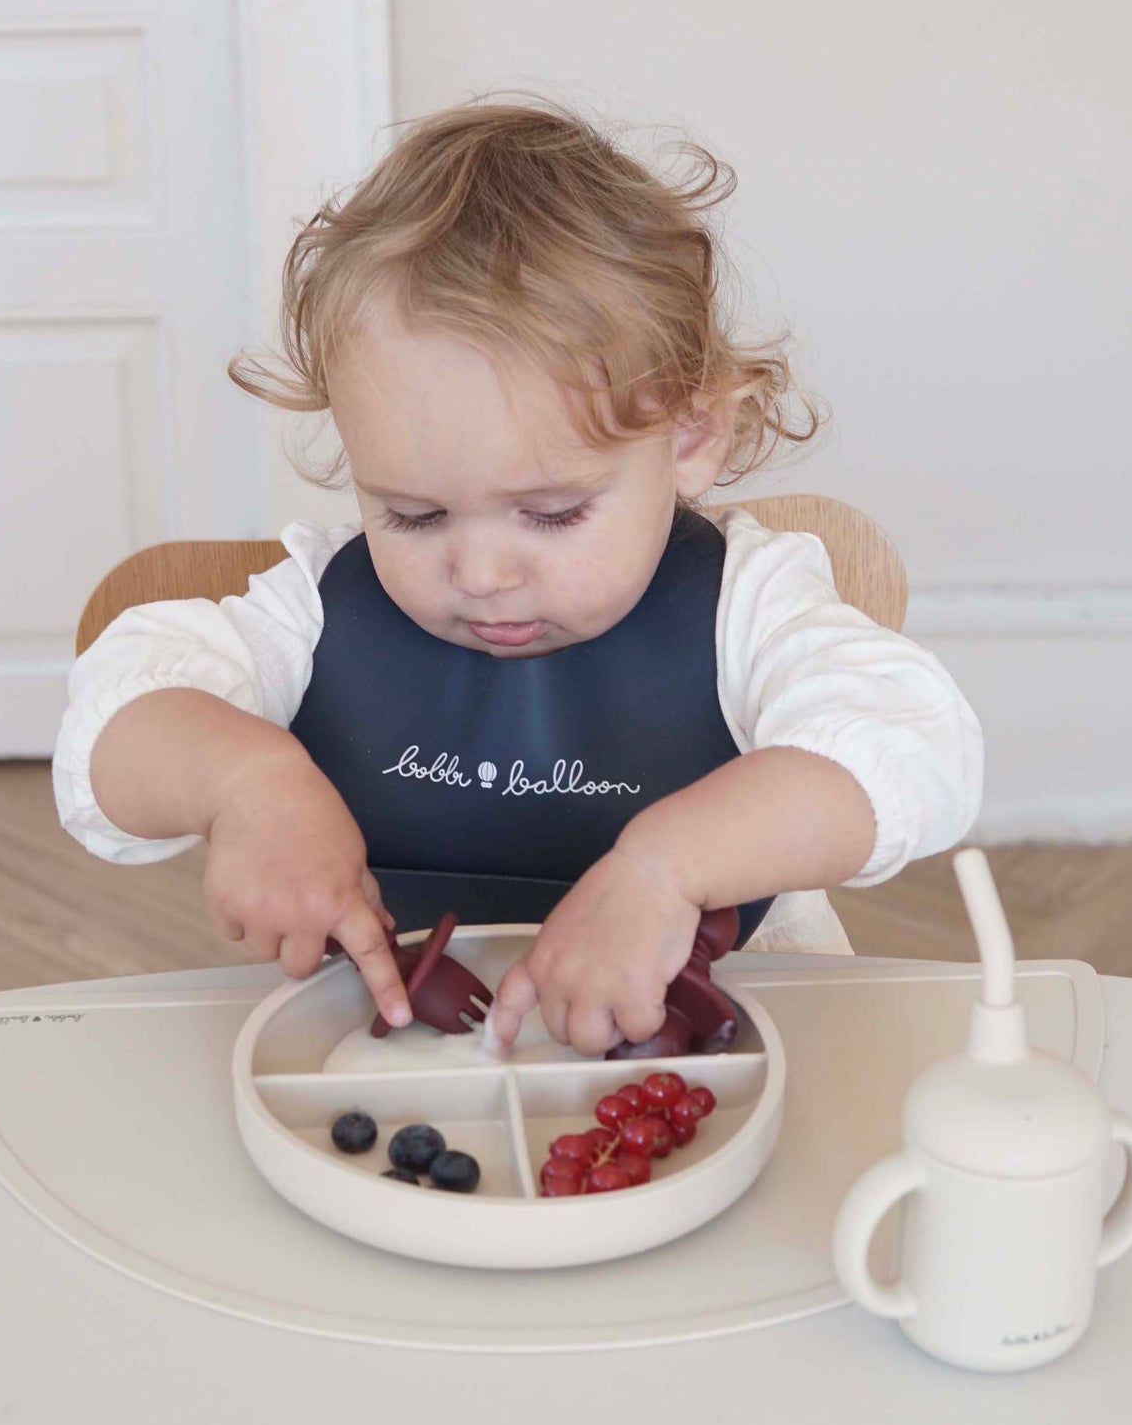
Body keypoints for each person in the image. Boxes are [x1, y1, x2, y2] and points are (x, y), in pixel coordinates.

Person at [53, 98, 982, 1056]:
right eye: (411, 514)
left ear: (691, 435)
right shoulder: (315, 607)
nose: (482, 573)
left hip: (736, 1009)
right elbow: (113, 726)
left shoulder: (752, 600)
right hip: (382, 1035)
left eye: (550, 513)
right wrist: (244, 783)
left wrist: (668, 868)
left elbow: (913, 745)